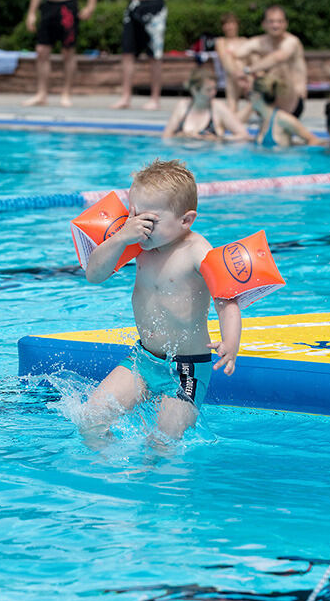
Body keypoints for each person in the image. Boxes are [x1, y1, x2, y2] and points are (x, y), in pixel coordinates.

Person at [82, 159, 242, 440]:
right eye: (134, 215)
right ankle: (112, 476)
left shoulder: (197, 252)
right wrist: (120, 238)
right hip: (143, 360)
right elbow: (94, 275)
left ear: (186, 220)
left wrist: (231, 343)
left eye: (149, 220)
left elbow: (227, 300)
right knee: (91, 419)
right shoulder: (138, 243)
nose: (139, 226)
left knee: (164, 440)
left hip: (186, 370)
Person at [82, 0, 186, 110]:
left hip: (154, 5)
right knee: (127, 53)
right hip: (133, 5)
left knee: (155, 55)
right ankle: (125, 97)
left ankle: (154, 99)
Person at [23, 0, 99, 107]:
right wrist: (31, 12)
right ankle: (41, 94)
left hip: (68, 5)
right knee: (41, 50)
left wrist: (90, 5)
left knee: (68, 51)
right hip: (49, 5)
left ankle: (66, 94)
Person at [218, 6, 308, 117]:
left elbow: (278, 57)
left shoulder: (291, 42)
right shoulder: (258, 42)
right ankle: (233, 112)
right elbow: (233, 55)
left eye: (280, 22)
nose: (276, 25)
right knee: (235, 65)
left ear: (286, 24)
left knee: (280, 67)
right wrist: (237, 74)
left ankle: (239, 115)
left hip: (292, 104)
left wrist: (247, 70)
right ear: (264, 24)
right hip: (267, 100)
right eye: (271, 22)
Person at [162, 67, 250, 141]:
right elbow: (166, 136)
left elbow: (244, 135)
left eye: (214, 89)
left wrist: (219, 139)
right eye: (208, 90)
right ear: (194, 90)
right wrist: (180, 136)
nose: (214, 93)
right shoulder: (183, 106)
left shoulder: (218, 108)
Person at [248, 76, 321, 147]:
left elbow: (314, 140)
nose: (248, 98)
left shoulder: (282, 119)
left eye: (250, 94)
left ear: (257, 96)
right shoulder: (263, 119)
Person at [213, 12, 248, 113]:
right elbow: (224, 60)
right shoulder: (221, 41)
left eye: (232, 23)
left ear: (237, 25)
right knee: (229, 58)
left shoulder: (244, 41)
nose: (229, 27)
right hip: (229, 76)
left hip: (245, 76)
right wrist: (238, 76)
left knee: (240, 62)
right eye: (226, 24)